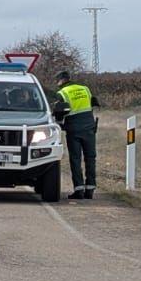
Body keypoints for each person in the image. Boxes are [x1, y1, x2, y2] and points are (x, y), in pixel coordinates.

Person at [52, 70, 100, 199]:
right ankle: (90, 189)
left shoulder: (62, 93)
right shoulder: (85, 89)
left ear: (61, 81)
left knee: (75, 159)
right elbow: (92, 104)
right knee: (90, 158)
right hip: (89, 127)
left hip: (73, 129)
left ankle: (78, 190)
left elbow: (59, 112)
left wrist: (58, 124)